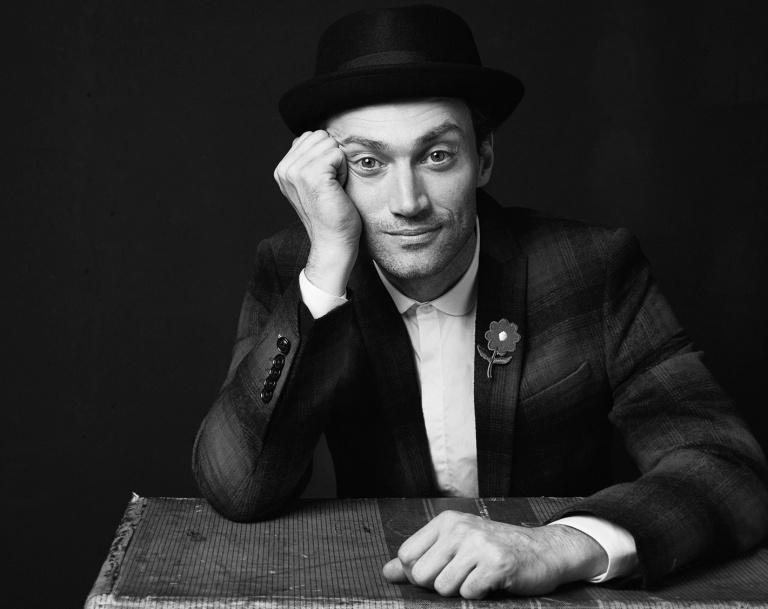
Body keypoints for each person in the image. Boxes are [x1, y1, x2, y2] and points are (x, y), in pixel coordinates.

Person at [192, 4, 768, 600]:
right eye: (368, 163)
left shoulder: (592, 267)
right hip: (381, 588)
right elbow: (239, 487)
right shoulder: (300, 271)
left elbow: (729, 468)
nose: (408, 201)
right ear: (331, 177)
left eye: (437, 156)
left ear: (483, 157)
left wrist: (560, 544)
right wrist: (327, 265)